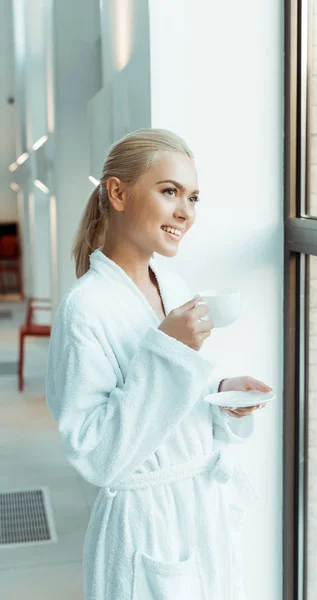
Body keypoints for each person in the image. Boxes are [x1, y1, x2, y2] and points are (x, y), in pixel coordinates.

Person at [46, 128, 272, 600]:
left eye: (192, 197)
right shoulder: (85, 307)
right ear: (118, 192)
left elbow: (176, 396)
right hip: (145, 523)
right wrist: (167, 352)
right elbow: (96, 453)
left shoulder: (171, 282)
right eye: (169, 192)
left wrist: (223, 395)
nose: (185, 212)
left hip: (199, 508)